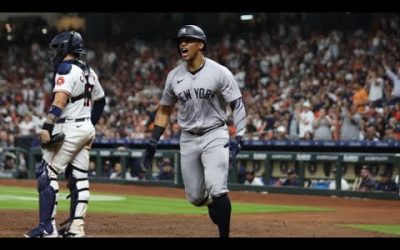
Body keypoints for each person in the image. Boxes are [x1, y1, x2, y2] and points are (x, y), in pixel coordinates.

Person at [141, 25, 246, 238]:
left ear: (201, 45)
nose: (183, 44)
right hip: (188, 137)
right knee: (195, 197)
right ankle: (209, 202)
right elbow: (164, 110)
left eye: (188, 40)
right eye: (181, 41)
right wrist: (153, 141)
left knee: (218, 189)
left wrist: (240, 135)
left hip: (215, 134)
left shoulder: (219, 72)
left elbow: (237, 104)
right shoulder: (174, 76)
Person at [24, 31, 105, 238]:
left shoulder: (65, 68)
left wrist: (47, 127)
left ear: (65, 48)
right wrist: (88, 125)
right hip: (86, 128)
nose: (54, 53)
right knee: (79, 177)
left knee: (47, 173)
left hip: (68, 127)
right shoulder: (89, 70)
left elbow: (60, 100)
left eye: (57, 48)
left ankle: (47, 228)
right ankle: (76, 229)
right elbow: (101, 100)